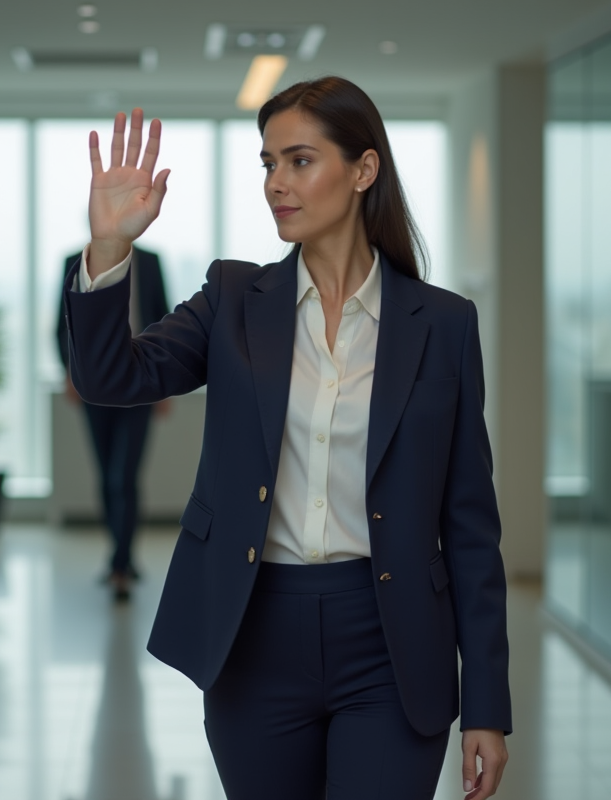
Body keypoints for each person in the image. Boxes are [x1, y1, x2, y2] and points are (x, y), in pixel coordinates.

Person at [61, 76, 510, 800]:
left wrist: (487, 704)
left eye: (300, 161)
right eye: (268, 164)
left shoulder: (444, 324)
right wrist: (109, 247)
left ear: (364, 170)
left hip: (391, 643)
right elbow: (115, 376)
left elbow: (469, 526)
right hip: (254, 634)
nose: (277, 183)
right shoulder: (235, 300)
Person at [55, 245, 170, 601]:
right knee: (106, 476)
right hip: (94, 388)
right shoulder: (75, 263)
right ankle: (119, 554)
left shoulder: (150, 262)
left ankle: (121, 564)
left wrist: (164, 385)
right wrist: (71, 374)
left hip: (140, 385)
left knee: (125, 475)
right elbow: (63, 326)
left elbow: (162, 319)